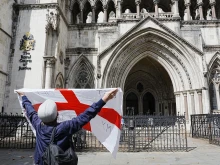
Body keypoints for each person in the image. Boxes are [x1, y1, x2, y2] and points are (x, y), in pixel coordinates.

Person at [16, 88, 118, 165]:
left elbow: (30, 111)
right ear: (57, 115)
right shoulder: (64, 127)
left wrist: (24, 96)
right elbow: (86, 115)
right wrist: (104, 99)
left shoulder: (38, 125)